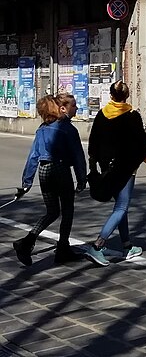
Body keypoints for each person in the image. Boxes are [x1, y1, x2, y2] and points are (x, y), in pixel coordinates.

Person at [84, 81, 146, 266]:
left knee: (120, 206)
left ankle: (126, 246)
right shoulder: (132, 116)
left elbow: (93, 143)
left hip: (107, 167)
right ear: (127, 96)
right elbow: (142, 145)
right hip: (126, 168)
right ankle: (98, 245)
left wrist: (93, 165)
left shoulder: (102, 115)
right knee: (121, 208)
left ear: (111, 95)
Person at [13, 94, 87, 266]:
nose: (75, 109)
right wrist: (81, 179)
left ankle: (27, 242)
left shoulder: (41, 129)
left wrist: (26, 183)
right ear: (60, 108)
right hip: (61, 169)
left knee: (52, 211)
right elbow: (77, 157)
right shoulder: (68, 129)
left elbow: (33, 156)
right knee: (67, 211)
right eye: (73, 106)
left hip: (44, 171)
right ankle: (62, 249)